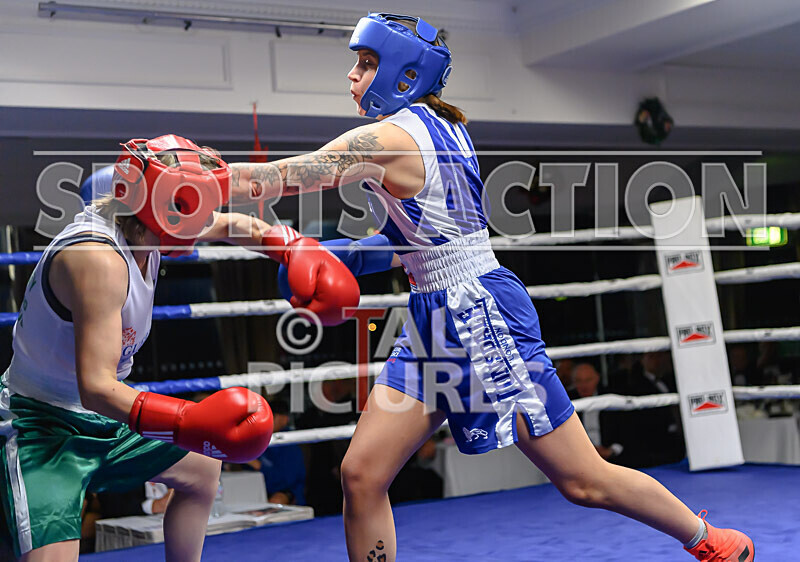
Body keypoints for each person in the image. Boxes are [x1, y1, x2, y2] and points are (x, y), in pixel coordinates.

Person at [228, 13, 754, 561]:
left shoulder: (390, 137)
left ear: (404, 75)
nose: (352, 75)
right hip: (433, 315)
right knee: (361, 474)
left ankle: (709, 541)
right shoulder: (436, 126)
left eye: (365, 63)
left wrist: (203, 182)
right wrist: (278, 240)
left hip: (477, 311)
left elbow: (288, 175)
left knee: (582, 480)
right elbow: (409, 242)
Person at [0, 134, 359, 561]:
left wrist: (291, 248)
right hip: (42, 425)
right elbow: (95, 387)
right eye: (195, 208)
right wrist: (188, 419)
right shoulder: (97, 260)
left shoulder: (148, 218)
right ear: (164, 206)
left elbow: (235, 225)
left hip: (104, 417)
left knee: (202, 466)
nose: (205, 220)